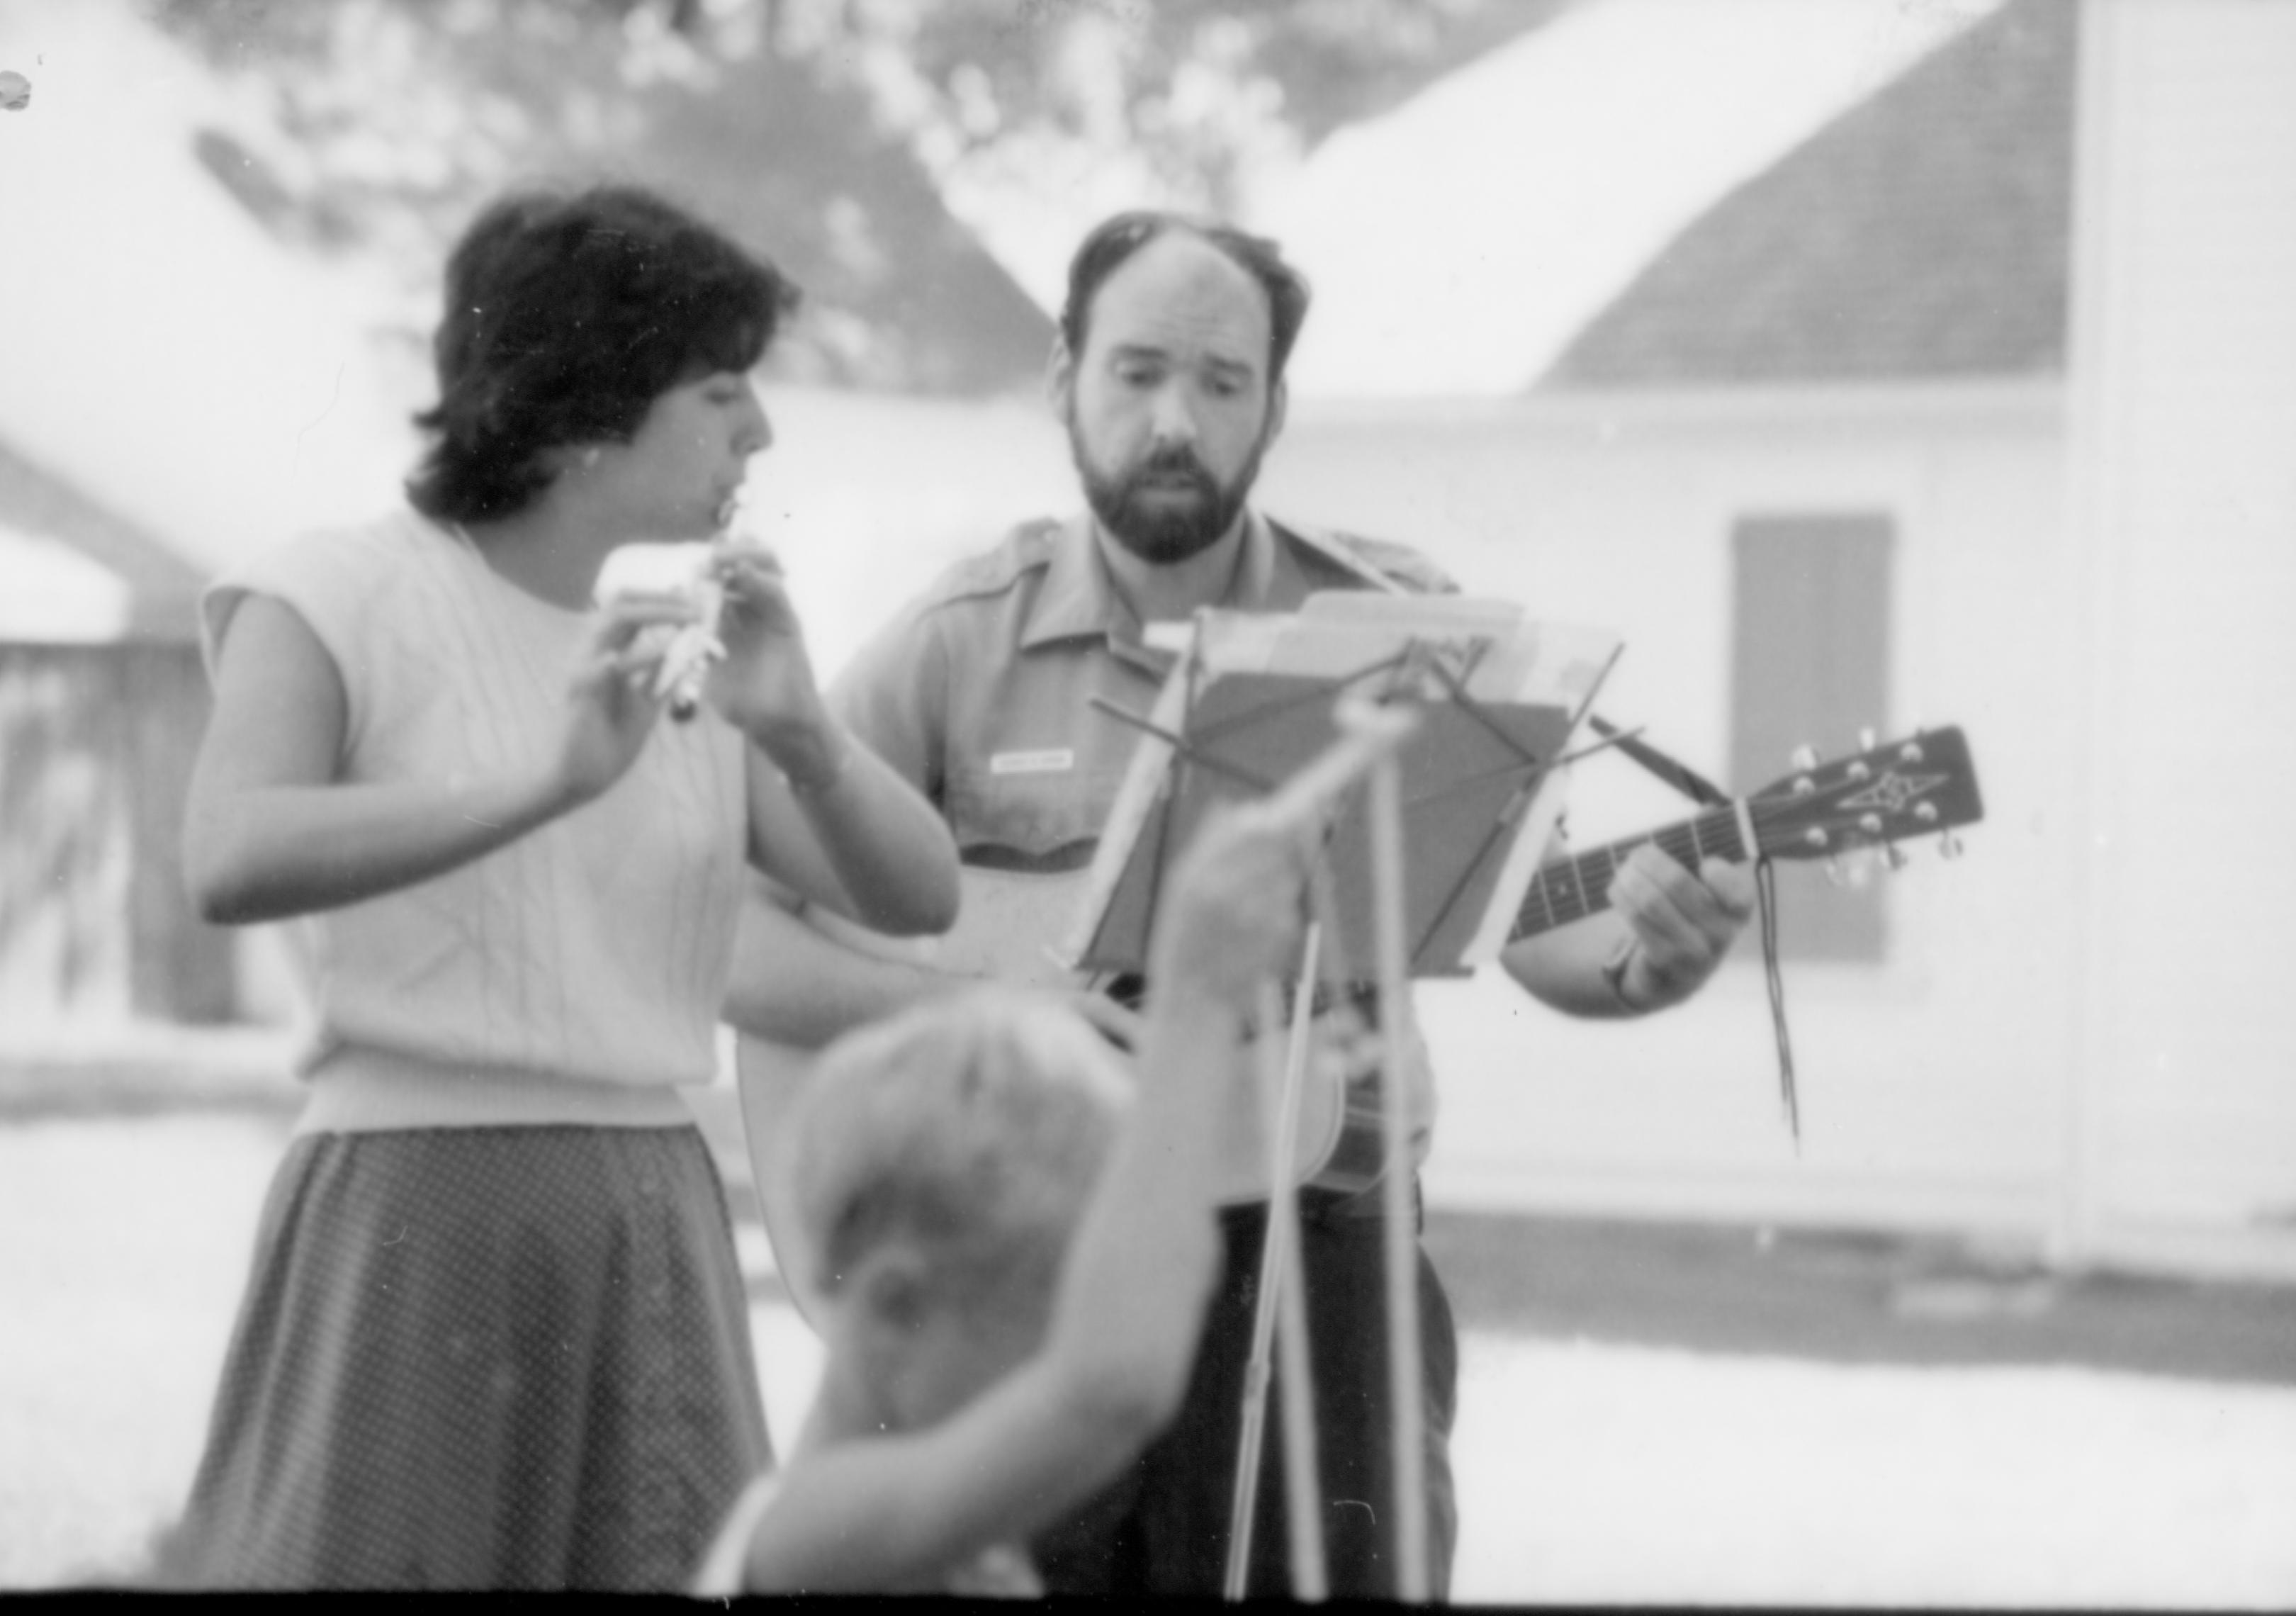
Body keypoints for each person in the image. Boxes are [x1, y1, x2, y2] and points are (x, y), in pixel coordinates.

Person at [723, 209, 1756, 1599]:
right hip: (1028, 1265)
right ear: (1063, 382)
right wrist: (987, 1003)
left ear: (1275, 407)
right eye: (1138, 371)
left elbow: (1532, 925)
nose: (1175, 420)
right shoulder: (956, 641)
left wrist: (1647, 958)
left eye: (1222, 384)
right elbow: (730, 934)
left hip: (1322, 1264)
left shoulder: (1410, 631)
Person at [156, 183, 960, 1591]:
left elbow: (920, 898)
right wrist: (548, 783)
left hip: (648, 1202)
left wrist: (803, 730)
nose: (758, 435)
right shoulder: (330, 592)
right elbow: (229, 856)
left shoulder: (664, 646)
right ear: (595, 402)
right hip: (419, 1207)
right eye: (723, 395)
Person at [693, 797, 1322, 1596]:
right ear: (895, 1308)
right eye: (1040, 1347)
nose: (1042, 1391)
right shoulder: (819, 1531)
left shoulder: (946, 1538)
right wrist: (1196, 1005)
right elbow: (1108, 1391)